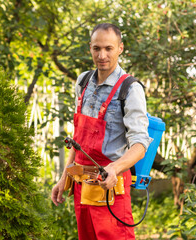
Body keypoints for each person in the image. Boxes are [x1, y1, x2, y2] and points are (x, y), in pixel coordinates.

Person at [51, 23, 152, 240]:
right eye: (97, 48)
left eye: (109, 48)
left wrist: (114, 169)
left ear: (120, 48)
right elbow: (77, 139)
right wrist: (64, 177)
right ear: (90, 48)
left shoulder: (130, 89)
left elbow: (140, 144)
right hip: (82, 187)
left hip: (111, 188)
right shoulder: (83, 82)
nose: (102, 55)